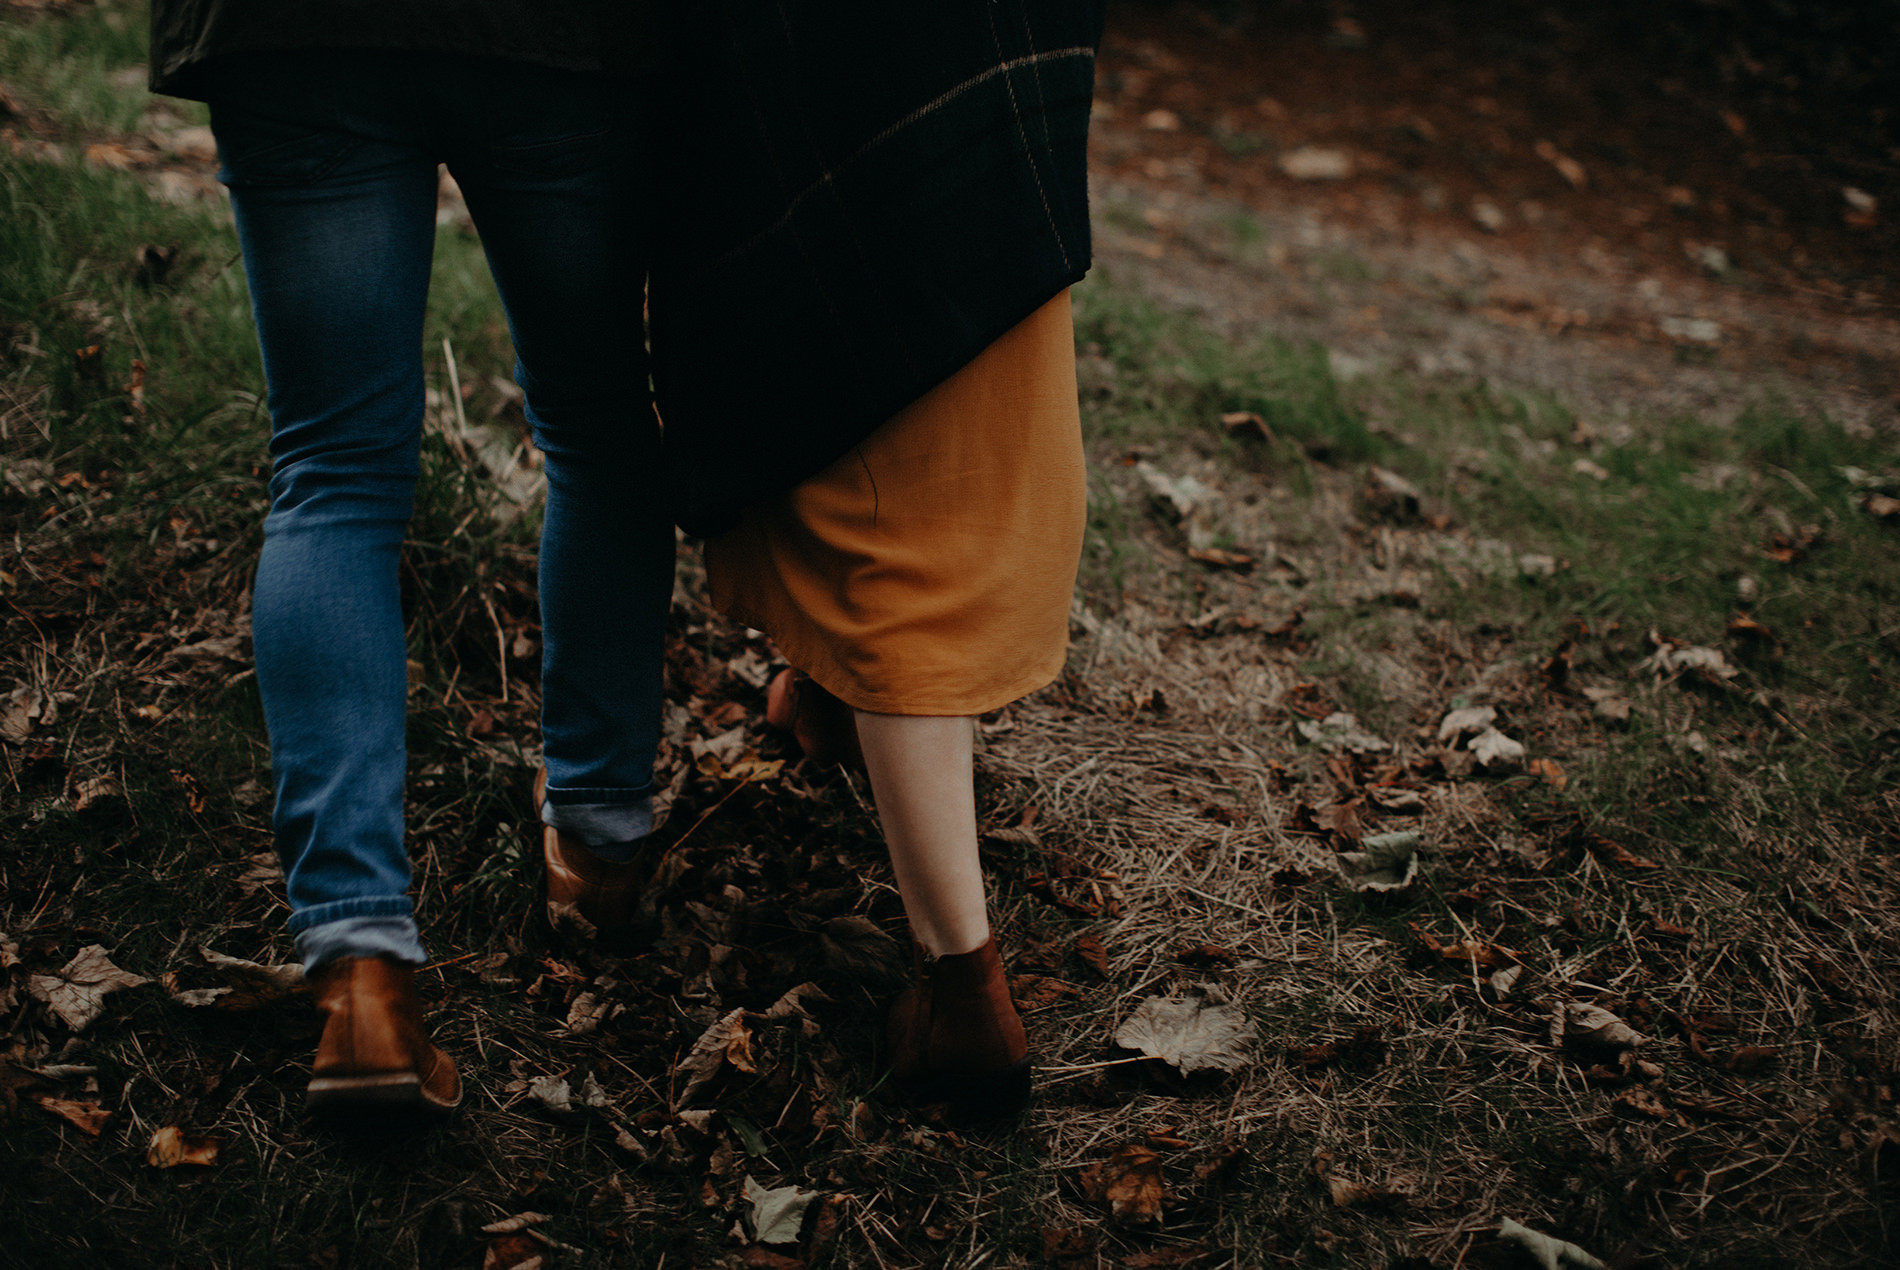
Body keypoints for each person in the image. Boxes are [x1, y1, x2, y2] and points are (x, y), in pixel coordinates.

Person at [148, 4, 672, 1119]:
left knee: (333, 469)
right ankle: (600, 852)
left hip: (298, 26)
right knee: (594, 421)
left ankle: (363, 980)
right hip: (561, 44)